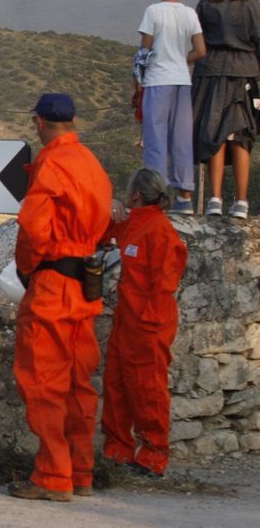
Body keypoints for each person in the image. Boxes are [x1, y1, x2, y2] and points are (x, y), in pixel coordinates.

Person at [8, 93, 112, 502]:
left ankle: (53, 477)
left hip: (53, 283)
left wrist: (26, 269)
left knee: (43, 381)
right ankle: (80, 472)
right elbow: (104, 224)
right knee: (78, 385)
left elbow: (33, 228)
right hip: (85, 288)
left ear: (39, 122)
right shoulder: (92, 164)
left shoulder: (51, 162)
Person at [101, 168, 188, 478]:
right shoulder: (134, 224)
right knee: (116, 385)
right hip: (129, 318)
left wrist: (149, 324)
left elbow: (165, 284)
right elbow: (106, 234)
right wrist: (110, 210)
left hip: (149, 322)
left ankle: (153, 453)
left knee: (148, 388)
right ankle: (118, 448)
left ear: (136, 194)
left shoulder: (161, 232)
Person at [192, 0, 260, 219]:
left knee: (214, 135)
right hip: (244, 73)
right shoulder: (251, 4)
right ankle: (241, 202)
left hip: (210, 73)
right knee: (240, 137)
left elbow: (198, 39)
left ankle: (214, 200)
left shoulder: (207, 2)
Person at [134, 0, 206, 214]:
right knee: (181, 138)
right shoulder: (190, 14)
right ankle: (184, 197)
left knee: (155, 139)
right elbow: (200, 50)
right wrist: (180, 58)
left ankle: (156, 197)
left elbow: (145, 49)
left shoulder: (153, 11)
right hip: (182, 82)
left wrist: (137, 80)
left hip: (157, 81)